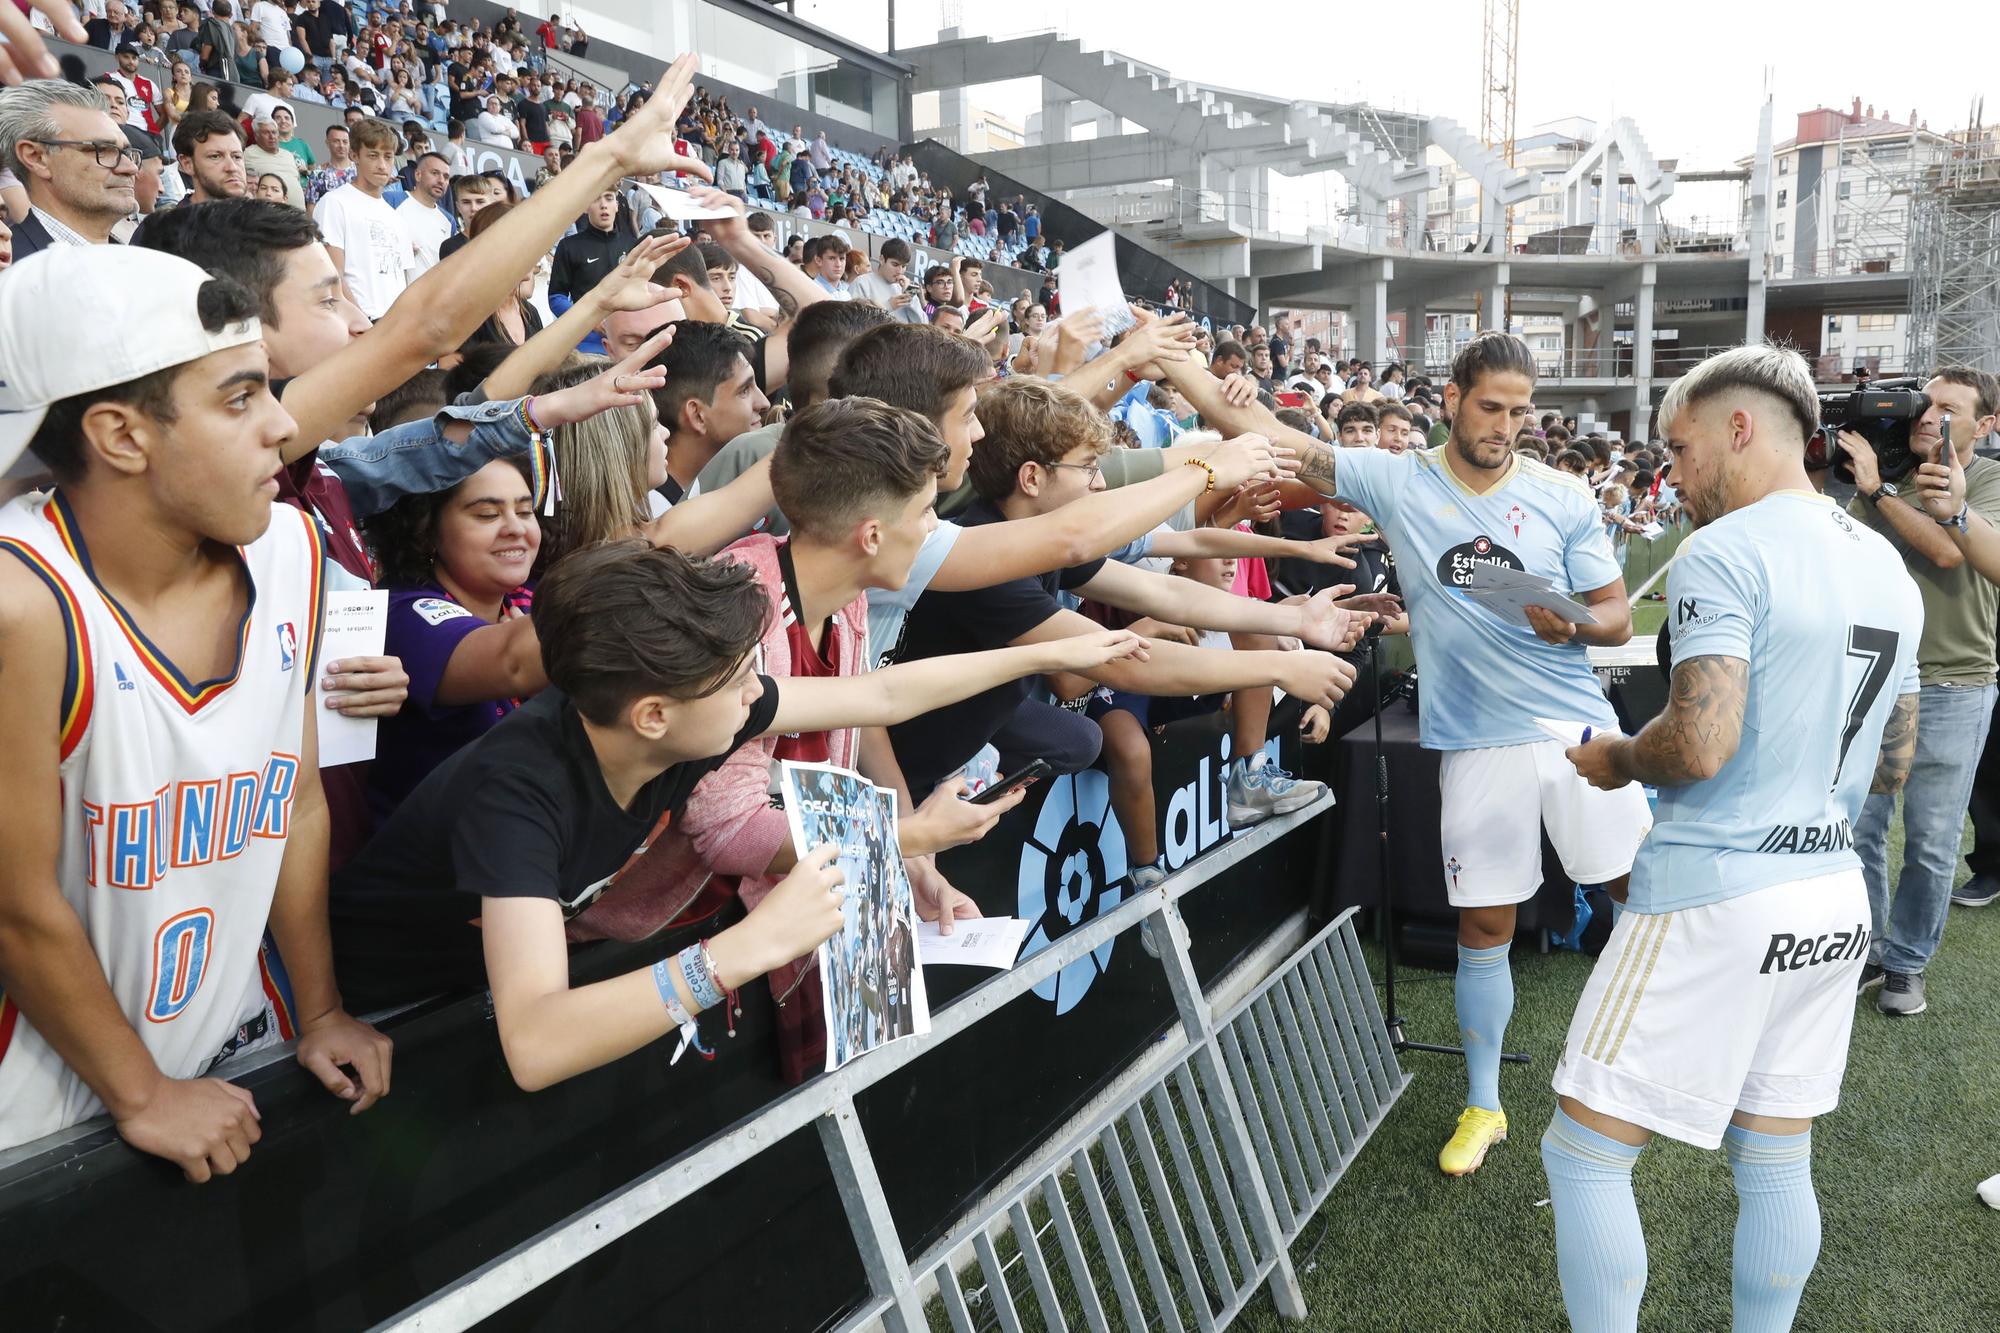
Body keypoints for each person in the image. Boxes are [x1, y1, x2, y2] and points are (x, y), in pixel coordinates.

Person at [325, 541, 1145, 1060]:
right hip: (372, 998)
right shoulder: (517, 794)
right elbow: (537, 1040)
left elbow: (882, 694)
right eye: (739, 678)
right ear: (654, 714)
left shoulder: (680, 716)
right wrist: (747, 950)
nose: (761, 693)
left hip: (466, 987)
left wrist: (1069, 647)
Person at [1160, 330, 1649, 1176]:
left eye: (1521, 412)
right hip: (1470, 741)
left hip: (1574, 730)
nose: (1506, 425)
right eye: (1492, 406)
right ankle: (1484, 1102)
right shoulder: (1398, 478)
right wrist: (1170, 364)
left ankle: (1644, 1076)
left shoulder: (1562, 496)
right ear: (1453, 398)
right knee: (1484, 924)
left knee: (1642, 894)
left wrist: (1570, 616)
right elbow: (1284, 442)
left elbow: (1617, 617)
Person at [1551, 344, 1923, 1333]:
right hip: (1832, 896)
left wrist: (1619, 758)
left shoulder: (1726, 549)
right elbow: (1894, 757)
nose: (1669, 477)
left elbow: (1700, 743)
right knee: (1773, 1154)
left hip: (1717, 890)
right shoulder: (1885, 561)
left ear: (1739, 430)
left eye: (1678, 450)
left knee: (1580, 1152)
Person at [0, 244, 392, 1175]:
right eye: (240, 396)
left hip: (233, 1047)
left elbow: (294, 803)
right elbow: (15, 904)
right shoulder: (21, 603)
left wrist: (323, 1004)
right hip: (51, 1100)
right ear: (121, 435)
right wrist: (141, 1091)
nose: (285, 423)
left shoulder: (291, 545)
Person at [887, 377, 1363, 798]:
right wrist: (1278, 665)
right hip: (912, 772)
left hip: (967, 734)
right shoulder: (988, 560)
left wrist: (1295, 619)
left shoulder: (1024, 536)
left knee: (1077, 740)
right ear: (1031, 477)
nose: (1100, 484)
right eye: (1089, 467)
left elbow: (1164, 594)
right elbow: (1122, 662)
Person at [1836, 367, 2000, 1011]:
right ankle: (1873, 948)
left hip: (1957, 680)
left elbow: (1950, 551)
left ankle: (1908, 962)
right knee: (1863, 828)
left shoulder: (1986, 479)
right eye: (1925, 403)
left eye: (1950, 409)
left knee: (1932, 840)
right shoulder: (1885, 473)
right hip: (1875, 675)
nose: (1929, 416)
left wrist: (1879, 492)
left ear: (1984, 426)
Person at [0, 80, 139, 259]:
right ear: (36, 158)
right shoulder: (12, 274)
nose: (131, 167)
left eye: (126, 152)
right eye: (102, 150)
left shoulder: (136, 264)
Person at [311, 116, 412, 320]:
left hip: (397, 326)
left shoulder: (396, 217)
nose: (383, 165)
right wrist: (361, 322)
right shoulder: (334, 203)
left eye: (388, 156)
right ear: (355, 155)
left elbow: (403, 279)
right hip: (359, 323)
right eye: (373, 155)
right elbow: (332, 274)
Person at [396, 149, 452, 278]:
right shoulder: (391, 201)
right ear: (418, 175)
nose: (441, 181)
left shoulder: (449, 221)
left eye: (446, 177)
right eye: (435, 173)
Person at [243, 116, 303, 209]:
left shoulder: (288, 155)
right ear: (256, 136)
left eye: (274, 132)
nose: (272, 136)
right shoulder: (247, 154)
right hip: (270, 215)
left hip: (298, 214)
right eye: (266, 133)